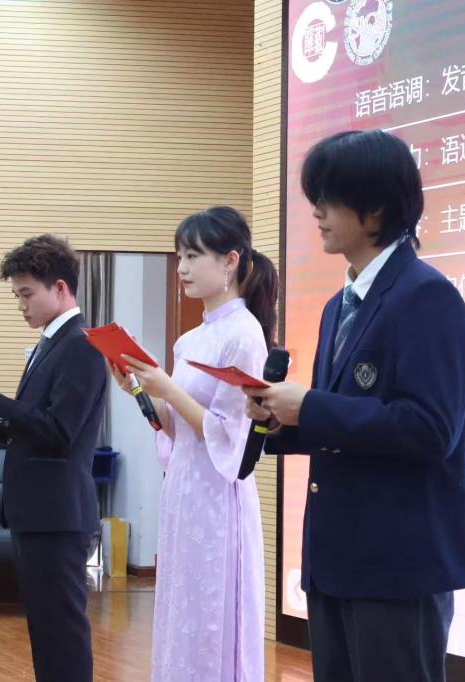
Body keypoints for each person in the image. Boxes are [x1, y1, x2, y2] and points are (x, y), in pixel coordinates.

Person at [245, 129, 465, 682]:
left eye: (328, 199)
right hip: (336, 560)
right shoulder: (337, 305)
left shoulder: (426, 296)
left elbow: (430, 429)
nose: (316, 213)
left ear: (375, 209)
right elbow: (343, 419)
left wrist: (310, 407)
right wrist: (281, 421)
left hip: (397, 564)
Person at [110, 206, 277, 681]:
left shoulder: (244, 335)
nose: (181, 267)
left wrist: (167, 388)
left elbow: (228, 434)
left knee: (211, 618)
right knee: (181, 612)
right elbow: (177, 425)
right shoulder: (190, 341)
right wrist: (138, 389)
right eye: (179, 256)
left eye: (192, 256)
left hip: (218, 497)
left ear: (230, 261)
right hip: (183, 489)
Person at [0, 234, 107, 682]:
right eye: (17, 295)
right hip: (37, 512)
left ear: (60, 288)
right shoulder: (50, 344)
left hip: (57, 514)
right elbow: (25, 429)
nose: (21, 305)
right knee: (46, 632)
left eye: (27, 294)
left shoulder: (82, 345)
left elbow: (58, 432)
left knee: (62, 634)